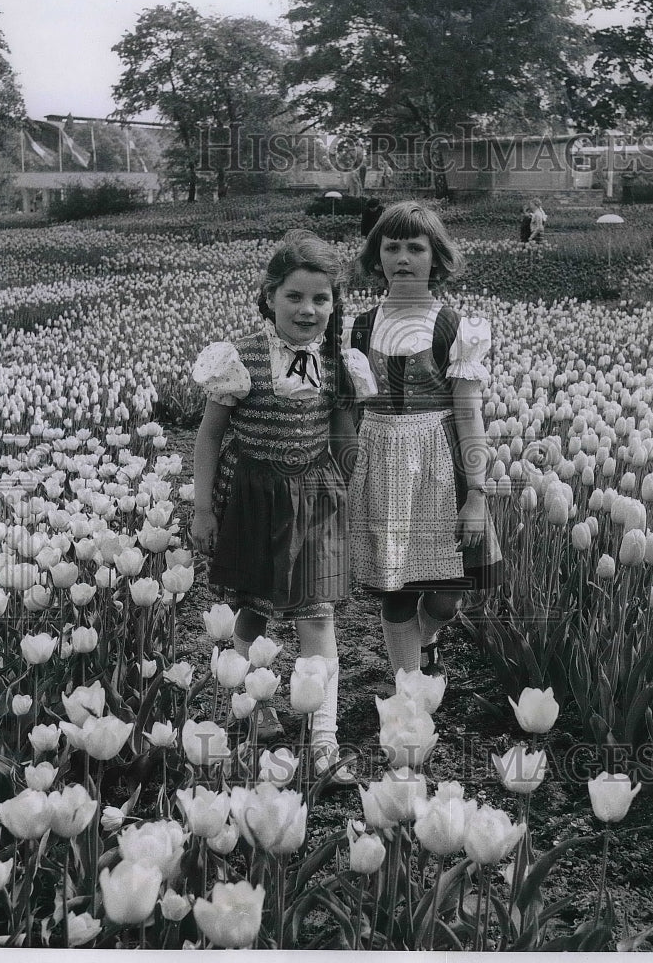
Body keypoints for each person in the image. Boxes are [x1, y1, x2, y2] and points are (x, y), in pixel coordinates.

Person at [190, 229, 376, 783]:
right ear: (270, 296)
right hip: (251, 499)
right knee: (253, 609)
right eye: (294, 296)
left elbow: (345, 440)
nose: (307, 309)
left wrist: (340, 496)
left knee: (317, 614)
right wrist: (204, 509)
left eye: (321, 298)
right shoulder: (239, 358)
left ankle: (324, 740)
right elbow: (207, 438)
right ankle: (255, 703)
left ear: (334, 304)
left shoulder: (341, 362)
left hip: (314, 501)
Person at [348, 201, 503, 685]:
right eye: (391, 246)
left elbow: (468, 411)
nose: (403, 256)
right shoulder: (361, 324)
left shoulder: (456, 326)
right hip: (380, 462)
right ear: (377, 256)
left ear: (436, 257)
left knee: (445, 592)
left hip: (439, 462)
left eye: (415, 247)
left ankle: (427, 635)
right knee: (395, 588)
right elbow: (350, 408)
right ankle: (407, 689)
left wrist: (476, 493)